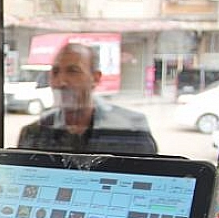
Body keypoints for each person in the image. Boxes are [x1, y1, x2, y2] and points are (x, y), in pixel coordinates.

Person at [17, 43, 158, 155]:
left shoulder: (131, 130)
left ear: (95, 78)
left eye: (73, 71)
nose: (61, 82)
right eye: (55, 72)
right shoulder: (34, 134)